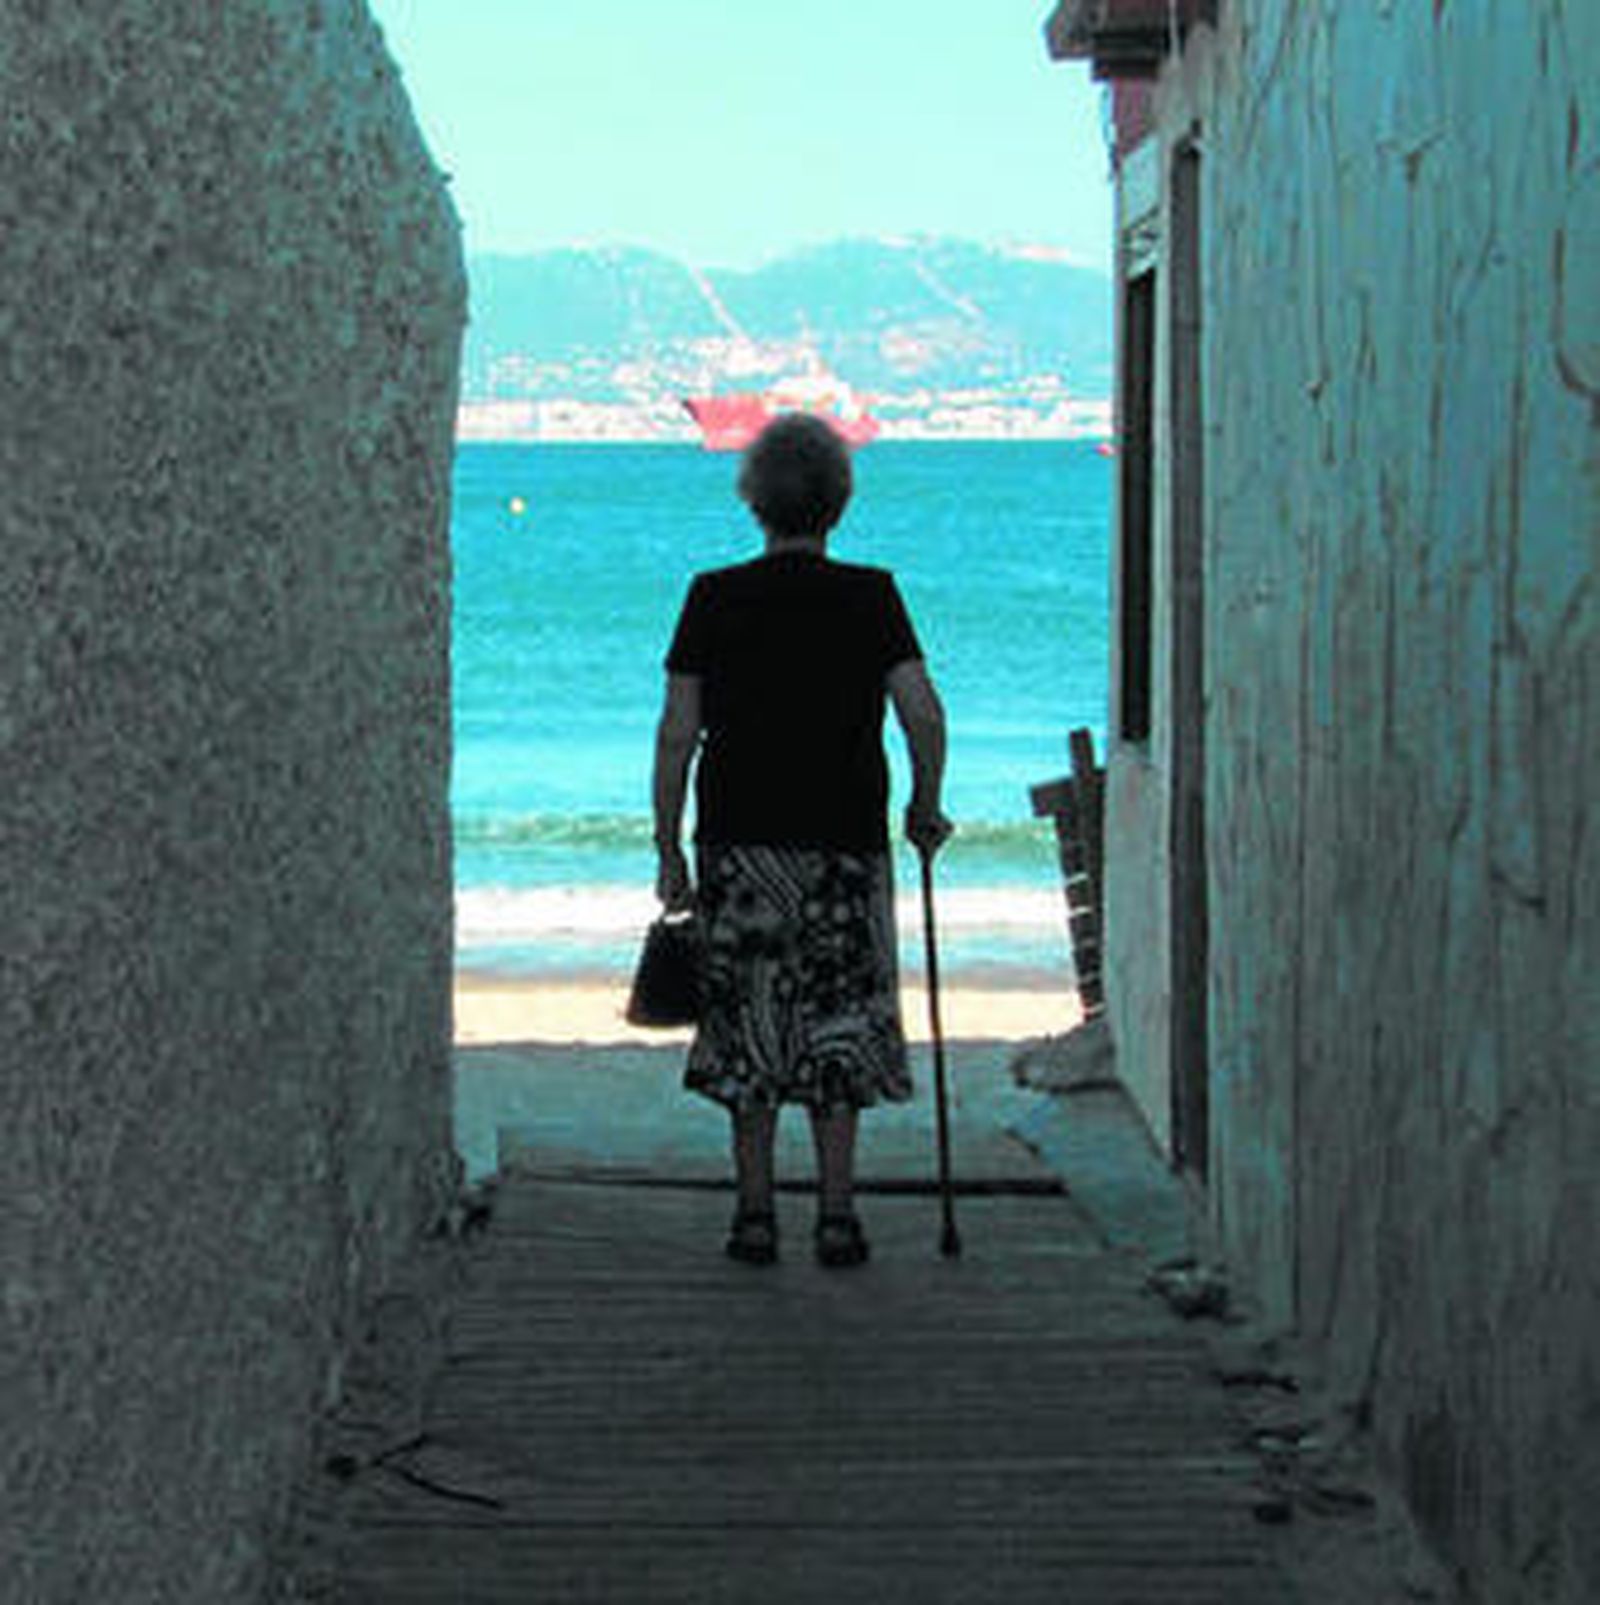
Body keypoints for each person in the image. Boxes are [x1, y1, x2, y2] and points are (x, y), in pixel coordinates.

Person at [651, 412, 952, 1269]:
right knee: (838, 1018)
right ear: (838, 503)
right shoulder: (873, 594)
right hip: (845, 846)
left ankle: (753, 1213)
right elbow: (923, 713)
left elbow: (678, 733)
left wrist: (667, 844)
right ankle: (837, 1213)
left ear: (754, 501)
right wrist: (925, 804)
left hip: (740, 844)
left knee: (748, 1021)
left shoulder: (711, 596)